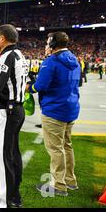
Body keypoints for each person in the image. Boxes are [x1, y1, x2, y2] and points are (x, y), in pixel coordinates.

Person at [27, 32, 80, 197]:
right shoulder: (75, 59)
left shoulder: (51, 61)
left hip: (54, 110)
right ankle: (70, 180)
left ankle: (58, 185)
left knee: (56, 149)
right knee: (66, 146)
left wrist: (28, 88)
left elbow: (41, 86)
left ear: (52, 44)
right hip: (70, 108)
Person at [0, 24, 28, 208]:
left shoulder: (7, 56)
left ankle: (4, 201)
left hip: (7, 111)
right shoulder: (20, 55)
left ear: (3, 38)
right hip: (17, 110)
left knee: (1, 157)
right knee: (13, 153)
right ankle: (14, 195)